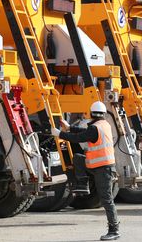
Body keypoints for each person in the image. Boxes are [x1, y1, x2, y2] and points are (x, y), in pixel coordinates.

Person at [51, 101, 120, 241]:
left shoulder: (95, 128)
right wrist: (70, 127)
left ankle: (114, 230)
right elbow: (85, 132)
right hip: (97, 165)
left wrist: (60, 134)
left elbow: (79, 138)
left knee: (106, 199)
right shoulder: (103, 125)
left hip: (102, 168)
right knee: (78, 158)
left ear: (91, 113)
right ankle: (83, 185)